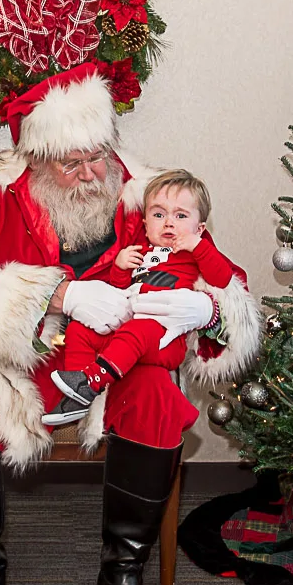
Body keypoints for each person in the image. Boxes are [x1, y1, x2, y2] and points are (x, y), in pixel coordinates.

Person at [0, 63, 263, 585]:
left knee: (157, 400)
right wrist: (60, 295)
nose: (89, 173)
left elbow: (221, 274)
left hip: (122, 353)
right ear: (36, 158)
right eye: (70, 163)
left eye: (97, 156)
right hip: (27, 355)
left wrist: (203, 309)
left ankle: (122, 573)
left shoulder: (146, 192)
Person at [44, 168, 243, 426]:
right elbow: (120, 294)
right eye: (159, 215)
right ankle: (78, 393)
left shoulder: (194, 253)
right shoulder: (141, 252)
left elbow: (223, 278)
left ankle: (92, 381)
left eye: (180, 216)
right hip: (129, 333)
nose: (168, 222)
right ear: (146, 225)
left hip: (164, 341)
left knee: (136, 331)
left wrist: (199, 246)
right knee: (79, 330)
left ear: (200, 228)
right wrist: (120, 268)